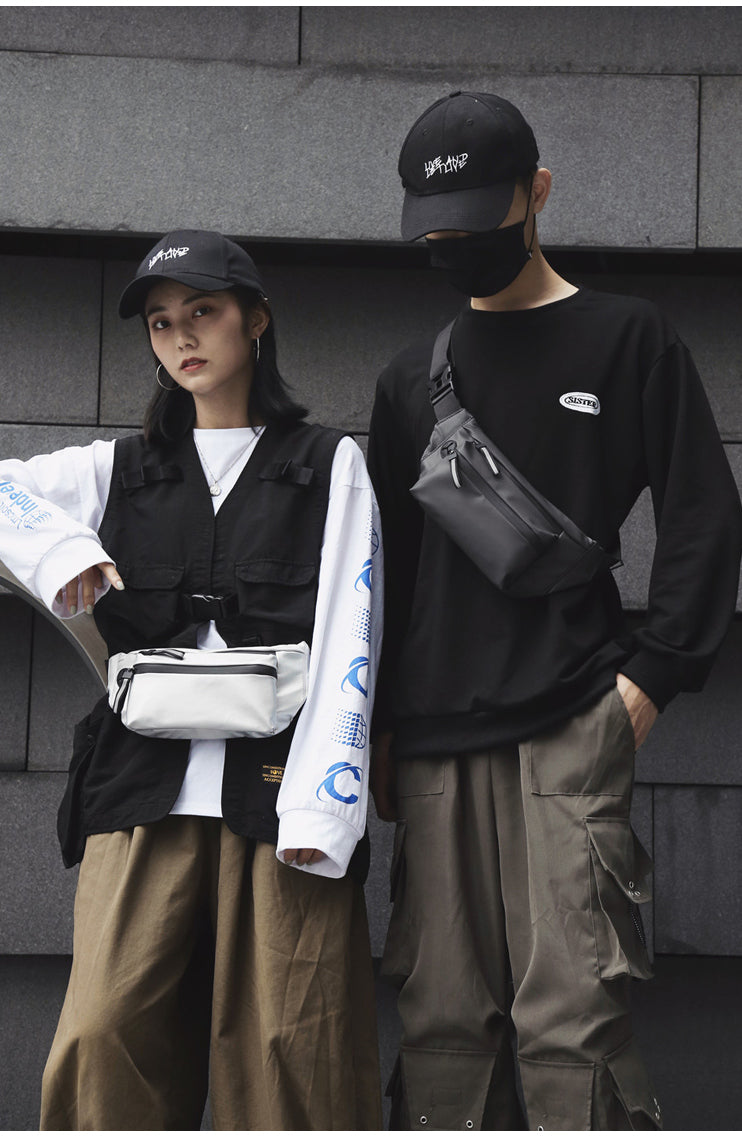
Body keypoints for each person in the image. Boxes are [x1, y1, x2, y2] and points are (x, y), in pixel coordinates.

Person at [367, 91, 742, 1131]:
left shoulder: (628, 338)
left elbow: (704, 514)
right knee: (441, 1019)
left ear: (537, 192)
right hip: (433, 740)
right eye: (435, 231)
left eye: (474, 221)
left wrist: (648, 680)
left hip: (573, 716)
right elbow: (385, 570)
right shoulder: (408, 381)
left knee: (574, 1015)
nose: (454, 247)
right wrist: (381, 728)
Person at [0, 230, 384, 1130]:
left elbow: (352, 638)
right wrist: (61, 549)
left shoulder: (326, 464)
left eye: (202, 311)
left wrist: (325, 810)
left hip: (279, 805)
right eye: (162, 322)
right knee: (102, 1039)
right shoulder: (114, 470)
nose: (181, 337)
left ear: (256, 320)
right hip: (141, 801)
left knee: (290, 1055)